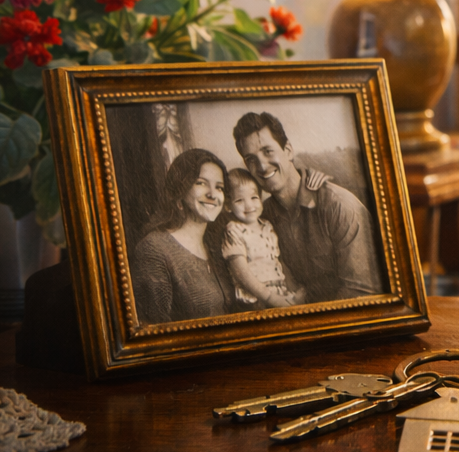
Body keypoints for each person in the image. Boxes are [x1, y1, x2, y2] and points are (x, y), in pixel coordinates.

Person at [233, 111, 381, 302]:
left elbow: (361, 293)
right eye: (251, 160)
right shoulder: (262, 214)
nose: (261, 166)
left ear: (288, 151)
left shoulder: (339, 206)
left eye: (268, 151)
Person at [130, 148, 235, 324]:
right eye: (201, 183)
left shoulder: (217, 245)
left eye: (219, 187)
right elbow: (154, 333)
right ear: (181, 188)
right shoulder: (154, 249)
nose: (212, 194)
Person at [218, 168, 308, 309]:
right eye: (239, 200)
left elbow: (277, 261)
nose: (249, 205)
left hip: (278, 290)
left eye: (254, 198)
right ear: (228, 206)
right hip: (256, 296)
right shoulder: (234, 230)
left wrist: (292, 288)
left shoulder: (267, 226)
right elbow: (241, 273)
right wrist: (269, 297)